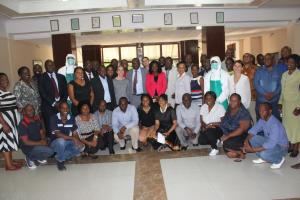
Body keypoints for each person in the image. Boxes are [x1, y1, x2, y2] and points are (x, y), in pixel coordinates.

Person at [243, 102, 288, 169]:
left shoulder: (275, 125)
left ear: (270, 111)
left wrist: (252, 150)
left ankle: (279, 160)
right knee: (252, 139)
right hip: (270, 143)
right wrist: (246, 142)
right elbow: (253, 131)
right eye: (260, 111)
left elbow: (270, 144)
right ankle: (264, 158)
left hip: (281, 148)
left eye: (263, 111)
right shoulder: (263, 120)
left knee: (264, 154)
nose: (261, 113)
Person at [50, 102, 84, 171]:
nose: (65, 110)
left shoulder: (71, 118)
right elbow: (58, 134)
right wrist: (73, 138)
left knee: (82, 147)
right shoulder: (54, 118)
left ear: (69, 109)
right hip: (56, 143)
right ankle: (60, 160)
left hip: (67, 142)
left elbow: (74, 133)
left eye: (67, 108)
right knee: (61, 141)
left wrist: (78, 141)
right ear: (59, 109)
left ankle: (61, 155)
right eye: (63, 108)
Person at [18, 104, 54, 169]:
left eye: (32, 109)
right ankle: (29, 157)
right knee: (50, 151)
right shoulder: (22, 124)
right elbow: (26, 142)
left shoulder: (37, 119)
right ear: (24, 112)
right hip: (28, 147)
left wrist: (44, 140)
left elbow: (41, 132)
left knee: (53, 143)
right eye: (28, 110)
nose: (31, 111)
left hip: (38, 143)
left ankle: (39, 157)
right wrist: (41, 143)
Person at [279, 54, 300, 157]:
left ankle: (296, 149)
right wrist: (280, 103)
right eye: (288, 62)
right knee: (287, 127)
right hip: (285, 105)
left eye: (292, 62)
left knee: (296, 128)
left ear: (297, 64)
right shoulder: (284, 75)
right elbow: (282, 91)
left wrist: (299, 107)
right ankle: (290, 146)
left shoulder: (299, 75)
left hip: (295, 105)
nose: (289, 64)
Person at [38, 60, 68, 135]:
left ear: (54, 66)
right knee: (51, 128)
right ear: (45, 67)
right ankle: (53, 143)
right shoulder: (41, 78)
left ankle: (64, 141)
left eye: (52, 65)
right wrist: (54, 103)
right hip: (48, 107)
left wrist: (61, 103)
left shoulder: (61, 77)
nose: (50, 67)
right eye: (48, 65)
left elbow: (65, 91)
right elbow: (42, 93)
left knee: (62, 126)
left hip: (61, 106)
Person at [0, 73, 22, 171]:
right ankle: (8, 165)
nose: (6, 81)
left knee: (10, 140)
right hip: (4, 121)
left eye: (6, 79)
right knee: (5, 142)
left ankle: (11, 161)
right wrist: (3, 124)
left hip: (12, 121)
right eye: (2, 79)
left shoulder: (7, 92)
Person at [220, 93, 252, 159]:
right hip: (233, 133)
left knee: (227, 143)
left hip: (243, 135)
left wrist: (228, 136)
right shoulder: (230, 107)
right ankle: (238, 153)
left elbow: (241, 129)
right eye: (231, 100)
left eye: (235, 101)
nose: (232, 102)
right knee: (230, 153)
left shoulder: (243, 112)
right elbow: (226, 119)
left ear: (239, 102)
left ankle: (241, 150)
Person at [254, 53, 282, 120]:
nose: (266, 60)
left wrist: (273, 94)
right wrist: (265, 94)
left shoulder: (278, 71)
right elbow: (256, 84)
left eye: (269, 59)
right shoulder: (259, 70)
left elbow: (280, 85)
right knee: (261, 120)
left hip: (274, 101)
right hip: (261, 100)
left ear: (272, 60)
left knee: (275, 120)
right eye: (265, 59)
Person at [198, 91, 226, 156]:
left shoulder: (220, 107)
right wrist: (205, 126)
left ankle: (215, 148)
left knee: (209, 131)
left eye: (210, 98)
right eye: (206, 98)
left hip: (218, 128)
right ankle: (216, 140)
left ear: (214, 99)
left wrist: (211, 124)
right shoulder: (203, 107)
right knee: (201, 141)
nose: (208, 100)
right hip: (206, 127)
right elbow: (201, 120)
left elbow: (224, 122)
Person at [242, 53, 257, 121]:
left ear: (251, 58)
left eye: (247, 56)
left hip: (252, 97)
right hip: (242, 97)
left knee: (253, 115)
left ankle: (255, 131)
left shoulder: (256, 69)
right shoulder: (240, 69)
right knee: (244, 117)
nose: (245, 58)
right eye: (244, 57)